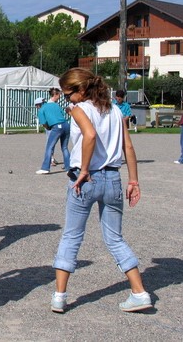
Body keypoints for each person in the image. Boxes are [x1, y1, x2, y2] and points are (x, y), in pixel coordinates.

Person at [51, 67, 152, 314]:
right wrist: (134, 181)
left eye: (68, 94)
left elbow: (90, 135)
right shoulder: (115, 110)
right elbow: (128, 146)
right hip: (113, 178)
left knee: (72, 236)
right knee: (115, 238)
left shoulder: (79, 109)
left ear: (81, 89)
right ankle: (139, 292)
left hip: (85, 179)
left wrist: (84, 169)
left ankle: (59, 296)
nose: (68, 99)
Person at [36, 88, 71, 174]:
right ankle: (69, 167)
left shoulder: (42, 109)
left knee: (49, 147)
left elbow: (44, 123)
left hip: (57, 127)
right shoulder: (56, 105)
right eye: (58, 95)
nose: (59, 97)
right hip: (66, 125)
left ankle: (45, 168)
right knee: (64, 147)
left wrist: (48, 128)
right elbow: (62, 114)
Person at [35, 97, 58, 167]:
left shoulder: (42, 110)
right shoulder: (49, 107)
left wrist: (47, 127)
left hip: (50, 127)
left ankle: (51, 159)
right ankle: (52, 158)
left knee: (50, 143)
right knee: (58, 145)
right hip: (57, 126)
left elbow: (44, 123)